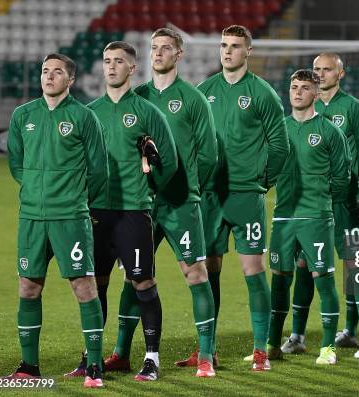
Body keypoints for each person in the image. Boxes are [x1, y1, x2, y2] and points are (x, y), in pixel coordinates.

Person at [101, 28, 219, 378]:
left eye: (166, 48)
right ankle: (121, 352)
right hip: (142, 205)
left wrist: (190, 188)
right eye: (153, 48)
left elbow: (210, 155)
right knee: (134, 278)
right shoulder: (137, 97)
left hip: (181, 203)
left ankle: (206, 355)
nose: (158, 53)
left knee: (194, 273)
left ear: (179, 55)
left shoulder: (193, 99)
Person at [65, 41, 178, 381]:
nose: (111, 66)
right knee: (95, 285)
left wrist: (149, 182)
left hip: (133, 211)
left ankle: (152, 357)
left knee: (142, 282)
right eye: (106, 61)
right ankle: (92, 357)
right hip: (97, 212)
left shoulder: (147, 112)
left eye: (119, 62)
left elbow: (168, 162)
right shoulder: (89, 112)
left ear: (132, 68)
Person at [189, 25, 289, 371]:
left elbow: (280, 145)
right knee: (207, 269)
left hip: (247, 196)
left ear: (248, 51)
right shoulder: (204, 91)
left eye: (234, 46)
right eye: (223, 45)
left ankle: (260, 350)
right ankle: (207, 349)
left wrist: (262, 180)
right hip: (211, 196)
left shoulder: (262, 93)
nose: (227, 51)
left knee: (253, 268)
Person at [6, 53, 109, 388]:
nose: (49, 76)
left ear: (71, 80)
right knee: (28, 286)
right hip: (33, 218)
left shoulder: (84, 117)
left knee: (83, 286)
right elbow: (17, 164)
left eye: (57, 72)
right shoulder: (23, 115)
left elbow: (98, 170)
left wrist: (74, 199)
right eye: (45, 71)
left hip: (70, 218)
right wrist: (38, 189)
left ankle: (95, 365)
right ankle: (29, 366)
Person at [281, 52, 359, 359]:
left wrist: (354, 189)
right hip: (309, 206)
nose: (320, 75)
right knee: (304, 265)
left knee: (356, 264)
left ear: (341, 73)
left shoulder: (353, 108)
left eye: (327, 70)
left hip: (344, 202)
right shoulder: (304, 108)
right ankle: (296, 335)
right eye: (316, 70)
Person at [263, 69, 350, 365]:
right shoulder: (279, 130)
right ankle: (272, 345)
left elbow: (342, 178)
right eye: (294, 87)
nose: (297, 92)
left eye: (304, 88)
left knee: (324, 280)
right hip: (284, 217)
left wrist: (321, 199)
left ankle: (328, 348)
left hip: (316, 217)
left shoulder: (329, 131)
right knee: (279, 282)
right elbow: (266, 170)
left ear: (316, 93)